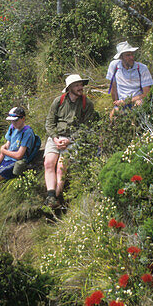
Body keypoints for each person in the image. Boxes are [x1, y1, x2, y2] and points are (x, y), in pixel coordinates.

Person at [43, 74, 98, 210]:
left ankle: (54, 197)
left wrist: (69, 139)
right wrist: (55, 138)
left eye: (81, 85)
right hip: (56, 137)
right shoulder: (58, 101)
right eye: (77, 85)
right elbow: (49, 123)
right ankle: (51, 195)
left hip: (73, 139)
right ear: (69, 88)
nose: (80, 88)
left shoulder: (87, 104)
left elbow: (86, 127)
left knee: (62, 166)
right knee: (48, 162)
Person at [106, 40, 153, 118]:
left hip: (137, 100)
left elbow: (146, 94)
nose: (132, 57)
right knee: (113, 116)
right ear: (121, 57)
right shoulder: (114, 66)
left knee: (136, 111)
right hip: (121, 102)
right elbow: (113, 87)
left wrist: (125, 101)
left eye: (132, 54)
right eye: (128, 55)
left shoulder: (142, 68)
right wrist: (116, 103)